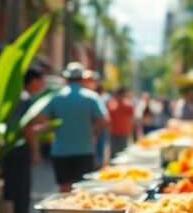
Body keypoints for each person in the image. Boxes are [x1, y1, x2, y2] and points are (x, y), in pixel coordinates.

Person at [44, 62, 108, 192]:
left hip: (60, 150)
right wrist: (94, 133)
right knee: (83, 190)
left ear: (66, 78)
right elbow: (104, 120)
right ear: (82, 78)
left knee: (64, 188)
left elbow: (42, 120)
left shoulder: (56, 96)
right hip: (84, 149)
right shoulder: (91, 97)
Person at [1, 68, 46, 213]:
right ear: (33, 81)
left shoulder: (14, 98)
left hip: (7, 148)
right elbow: (28, 129)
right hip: (21, 148)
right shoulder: (28, 100)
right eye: (41, 80)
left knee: (10, 187)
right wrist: (35, 151)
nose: (43, 84)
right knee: (22, 189)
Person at [83, 70, 110, 168]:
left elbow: (104, 118)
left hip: (96, 129)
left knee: (98, 152)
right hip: (89, 130)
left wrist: (95, 132)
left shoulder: (95, 96)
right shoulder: (89, 95)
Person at [107, 87, 135, 157]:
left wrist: (131, 133)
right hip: (113, 133)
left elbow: (131, 120)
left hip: (123, 133)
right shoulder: (111, 104)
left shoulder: (128, 105)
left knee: (123, 154)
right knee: (113, 154)